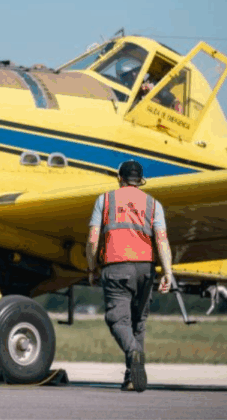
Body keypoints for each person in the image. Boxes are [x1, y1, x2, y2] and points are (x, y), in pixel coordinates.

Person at [86, 160, 174, 392]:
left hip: (116, 266)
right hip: (146, 269)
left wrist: (91, 268)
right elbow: (162, 239)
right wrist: (168, 272)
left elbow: (93, 239)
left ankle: (133, 351)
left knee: (117, 320)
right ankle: (132, 377)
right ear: (140, 180)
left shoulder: (105, 200)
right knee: (138, 323)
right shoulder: (153, 204)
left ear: (120, 178)